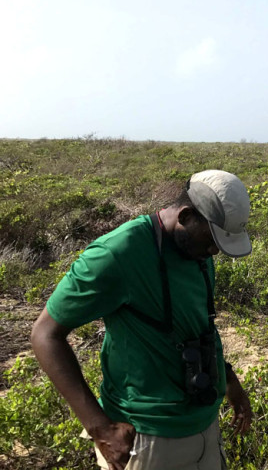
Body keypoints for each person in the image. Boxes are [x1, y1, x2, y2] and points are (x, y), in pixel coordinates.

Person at [31, 170, 254, 470]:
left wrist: (228, 380)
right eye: (212, 239)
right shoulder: (117, 253)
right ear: (186, 216)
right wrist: (100, 429)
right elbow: (44, 334)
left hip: (204, 426)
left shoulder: (197, 253)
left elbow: (198, 325)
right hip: (148, 440)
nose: (215, 251)